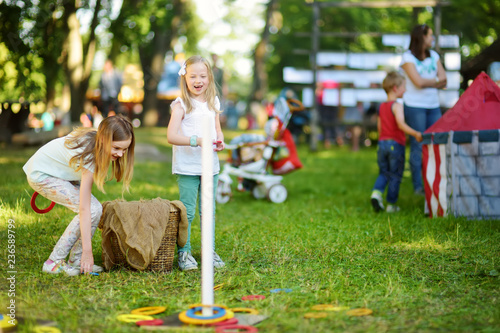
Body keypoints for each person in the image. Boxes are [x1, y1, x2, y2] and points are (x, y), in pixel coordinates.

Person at [23, 115, 135, 275]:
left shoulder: (96, 143)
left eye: (125, 149)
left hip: (59, 174)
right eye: (116, 148)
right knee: (91, 210)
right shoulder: (90, 155)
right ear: (103, 140)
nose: (121, 154)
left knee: (95, 209)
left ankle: (76, 260)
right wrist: (88, 252)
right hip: (42, 175)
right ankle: (53, 262)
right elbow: (83, 209)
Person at [166, 55, 226, 271]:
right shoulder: (181, 104)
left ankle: (208, 250)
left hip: (210, 166)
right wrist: (197, 141)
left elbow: (217, 128)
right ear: (185, 78)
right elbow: (171, 136)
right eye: (193, 76)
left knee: (208, 210)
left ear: (209, 77)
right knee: (188, 212)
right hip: (188, 167)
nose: (197, 80)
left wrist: (219, 140)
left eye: (202, 75)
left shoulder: (213, 102)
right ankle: (184, 252)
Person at [400, 24, 447, 195]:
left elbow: (445, 80)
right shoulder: (407, 58)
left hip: (433, 106)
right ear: (421, 37)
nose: (432, 39)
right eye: (430, 35)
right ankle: (418, 186)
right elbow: (418, 82)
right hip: (414, 106)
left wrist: (427, 82)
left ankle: (434, 181)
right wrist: (435, 82)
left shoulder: (433, 55)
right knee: (418, 144)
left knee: (436, 143)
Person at [370, 71, 423, 213]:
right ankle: (391, 205)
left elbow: (380, 128)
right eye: (404, 86)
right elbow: (400, 124)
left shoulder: (381, 106)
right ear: (395, 88)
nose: (405, 90)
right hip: (396, 145)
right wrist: (415, 133)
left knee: (383, 172)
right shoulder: (397, 105)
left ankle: (376, 193)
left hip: (382, 144)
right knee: (395, 175)